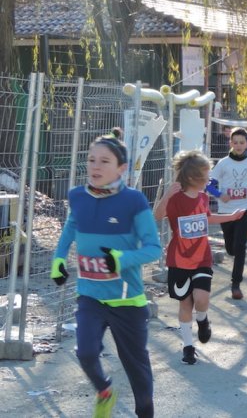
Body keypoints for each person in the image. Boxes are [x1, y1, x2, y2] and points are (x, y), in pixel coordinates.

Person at [50, 134, 160, 417]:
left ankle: (145, 412)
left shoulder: (133, 201)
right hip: (90, 295)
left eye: (104, 161)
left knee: (136, 368)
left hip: (127, 301)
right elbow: (71, 225)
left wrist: (122, 259)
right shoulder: (77, 196)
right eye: (91, 160)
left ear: (121, 168)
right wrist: (59, 258)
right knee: (85, 353)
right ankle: (105, 391)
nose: (95, 166)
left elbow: (153, 249)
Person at [153, 150, 245, 365]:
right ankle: (188, 346)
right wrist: (167, 194)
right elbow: (157, 216)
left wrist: (232, 216)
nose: (209, 178)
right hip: (179, 260)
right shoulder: (175, 198)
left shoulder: (203, 197)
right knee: (185, 303)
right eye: (206, 174)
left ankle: (202, 320)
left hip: (202, 258)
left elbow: (208, 219)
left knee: (202, 299)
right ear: (194, 177)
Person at [207, 127, 247, 300]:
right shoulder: (223, 163)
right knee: (231, 248)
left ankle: (235, 284)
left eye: (242, 142)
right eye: (235, 142)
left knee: (240, 246)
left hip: (245, 207)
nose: (238, 146)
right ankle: (232, 254)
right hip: (226, 211)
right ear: (230, 143)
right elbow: (209, 185)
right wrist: (219, 195)